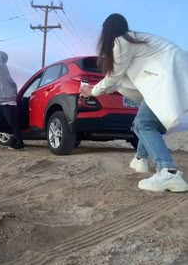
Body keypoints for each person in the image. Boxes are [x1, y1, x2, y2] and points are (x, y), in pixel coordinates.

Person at [80, 13, 188, 193]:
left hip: (166, 79)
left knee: (143, 124)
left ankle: (168, 172)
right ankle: (141, 159)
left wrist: (92, 91)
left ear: (106, 32)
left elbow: (114, 76)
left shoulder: (122, 43)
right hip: (169, 78)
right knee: (144, 122)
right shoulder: (135, 40)